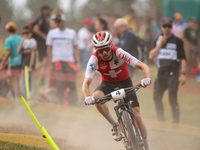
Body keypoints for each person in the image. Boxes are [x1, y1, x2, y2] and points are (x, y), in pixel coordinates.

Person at [82, 31, 151, 150]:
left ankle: (148, 147)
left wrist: (146, 78)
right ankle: (115, 125)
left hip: (125, 82)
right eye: (100, 50)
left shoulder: (119, 52)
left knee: (138, 116)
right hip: (107, 84)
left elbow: (143, 66)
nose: (104, 52)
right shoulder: (94, 59)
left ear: (111, 45)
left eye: (106, 48)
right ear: (95, 49)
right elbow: (86, 82)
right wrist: (88, 97)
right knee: (96, 97)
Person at [149, 18, 187, 123]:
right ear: (161, 27)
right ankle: (161, 120)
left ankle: (175, 121)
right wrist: (161, 43)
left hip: (173, 74)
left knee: (172, 99)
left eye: (169, 26)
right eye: (164, 26)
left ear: (172, 27)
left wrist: (183, 74)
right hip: (161, 73)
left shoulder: (178, 41)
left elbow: (183, 58)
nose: (167, 28)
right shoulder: (157, 40)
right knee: (156, 97)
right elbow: (151, 55)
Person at [46, 14, 80, 106]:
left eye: (59, 21)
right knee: (59, 84)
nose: (57, 23)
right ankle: (60, 104)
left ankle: (74, 105)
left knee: (72, 84)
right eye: (55, 21)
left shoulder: (72, 32)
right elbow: (49, 49)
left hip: (70, 62)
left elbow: (76, 47)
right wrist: (50, 64)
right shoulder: (51, 33)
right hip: (57, 62)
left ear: (64, 22)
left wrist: (78, 61)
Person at [0, 22, 22, 100]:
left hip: (14, 62)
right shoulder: (20, 38)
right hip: (21, 62)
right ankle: (20, 97)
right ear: (15, 29)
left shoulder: (8, 40)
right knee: (17, 80)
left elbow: (9, 52)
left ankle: (17, 98)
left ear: (7, 30)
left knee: (15, 81)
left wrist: (2, 62)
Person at [32, 5, 51, 85]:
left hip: (43, 43)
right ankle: (32, 69)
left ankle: (42, 81)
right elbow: (35, 29)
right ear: (44, 10)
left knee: (45, 63)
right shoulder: (40, 19)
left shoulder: (45, 20)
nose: (49, 12)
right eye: (48, 10)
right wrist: (45, 36)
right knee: (44, 61)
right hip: (41, 43)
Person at [17, 25, 37, 100]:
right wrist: (22, 42)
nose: (25, 34)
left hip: (29, 67)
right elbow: (18, 52)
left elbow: (33, 54)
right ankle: (24, 98)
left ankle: (31, 99)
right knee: (22, 83)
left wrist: (31, 66)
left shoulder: (33, 41)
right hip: (23, 66)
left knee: (29, 83)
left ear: (30, 33)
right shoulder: (23, 42)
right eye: (23, 33)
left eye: (27, 33)